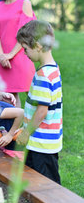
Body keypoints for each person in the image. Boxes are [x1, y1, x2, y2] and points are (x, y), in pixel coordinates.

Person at [16, 20, 62, 184]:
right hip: (44, 141)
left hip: (41, 142)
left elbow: (42, 111)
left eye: (25, 49)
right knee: (33, 179)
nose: (25, 53)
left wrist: (27, 132)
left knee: (45, 185)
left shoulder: (43, 75)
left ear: (38, 46)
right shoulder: (53, 69)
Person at [0, 0, 36, 107]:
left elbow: (27, 32)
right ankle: (17, 128)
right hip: (3, 58)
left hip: (22, 55)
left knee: (32, 94)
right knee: (10, 97)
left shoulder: (24, 3)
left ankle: (40, 126)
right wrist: (2, 55)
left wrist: (10, 55)